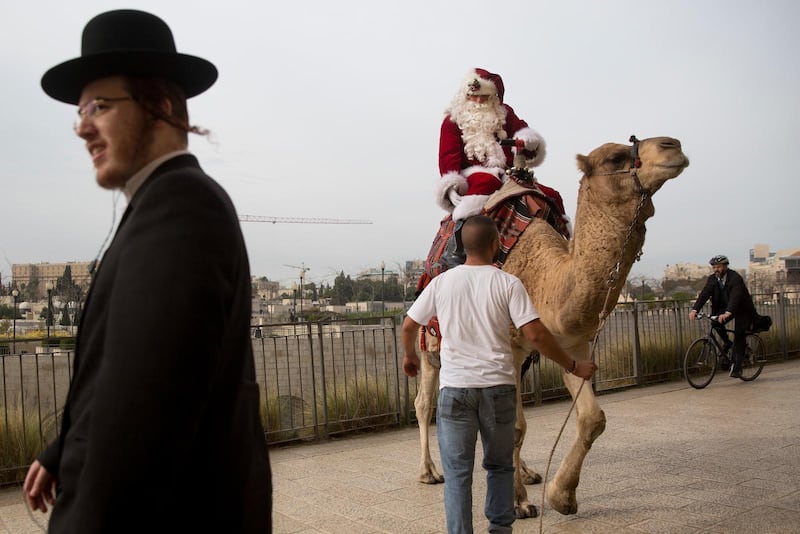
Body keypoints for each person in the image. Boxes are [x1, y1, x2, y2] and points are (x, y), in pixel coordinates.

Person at [23, 10, 272, 532]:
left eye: (98, 106)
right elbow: (130, 374)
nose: (82, 127)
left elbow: (138, 435)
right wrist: (62, 448)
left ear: (160, 104)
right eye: (79, 112)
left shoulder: (181, 209)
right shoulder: (163, 204)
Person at [401, 215, 597, 533]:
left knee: (458, 475)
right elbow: (536, 334)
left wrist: (410, 356)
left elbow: (409, 324)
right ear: (497, 245)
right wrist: (573, 366)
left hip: (455, 393)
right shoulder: (508, 283)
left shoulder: (441, 283)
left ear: (462, 247)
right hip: (499, 391)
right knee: (500, 469)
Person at [436, 68, 567, 223]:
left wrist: (529, 141)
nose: (478, 101)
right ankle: (464, 230)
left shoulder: (505, 114)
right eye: (473, 96)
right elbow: (448, 157)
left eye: (483, 97)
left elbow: (525, 138)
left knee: (551, 196)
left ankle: (565, 238)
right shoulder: (452, 121)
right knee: (486, 181)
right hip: (472, 177)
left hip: (509, 176)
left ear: (493, 96)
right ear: (466, 95)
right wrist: (451, 187)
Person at [689, 255, 758, 379]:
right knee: (715, 324)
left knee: (739, 334)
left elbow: (735, 297)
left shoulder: (735, 278)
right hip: (724, 309)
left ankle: (737, 367)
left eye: (719, 267)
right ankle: (728, 344)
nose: (716, 269)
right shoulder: (712, 279)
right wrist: (695, 309)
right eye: (714, 267)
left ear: (725, 266)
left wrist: (728, 312)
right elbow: (704, 294)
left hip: (741, 309)